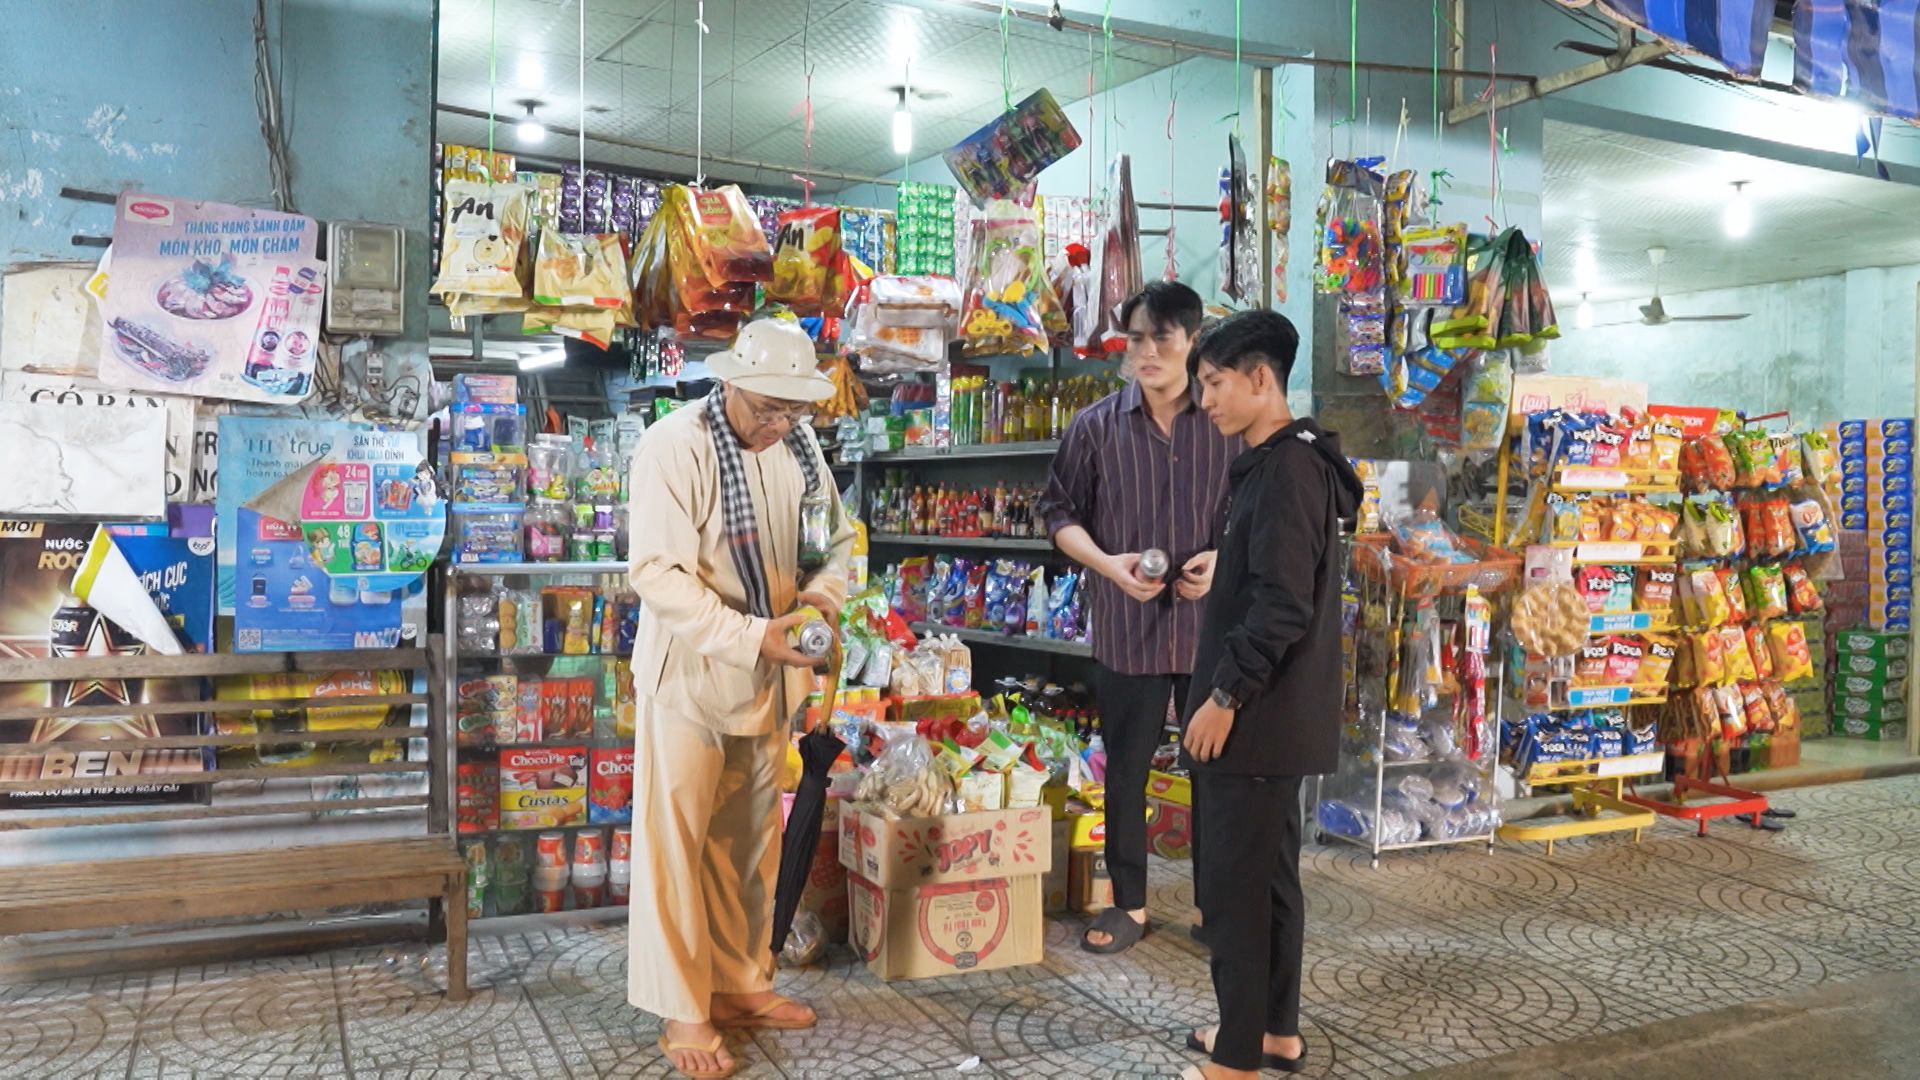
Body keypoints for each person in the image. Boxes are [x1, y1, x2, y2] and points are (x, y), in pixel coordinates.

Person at [625, 318, 855, 1080]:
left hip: (769, 673)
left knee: (749, 843)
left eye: (791, 412)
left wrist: (821, 602)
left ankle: (741, 982)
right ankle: (682, 1007)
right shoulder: (674, 445)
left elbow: (835, 542)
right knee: (676, 846)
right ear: (729, 384)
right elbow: (657, 575)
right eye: (764, 409)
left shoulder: (798, 445)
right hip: (691, 675)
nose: (776, 425)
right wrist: (755, 635)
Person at [1177, 309, 1363, 1080]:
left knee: (1234, 892)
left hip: (1255, 717)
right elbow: (1277, 576)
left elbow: (1284, 606)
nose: (1206, 401)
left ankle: (1237, 1058)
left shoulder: (1286, 468)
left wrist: (1224, 695)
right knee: (1270, 880)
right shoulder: (1284, 461)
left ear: (1261, 379)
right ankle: (1271, 1033)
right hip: (1276, 718)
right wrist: (1224, 573)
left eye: (1216, 384)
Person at [1037, 280, 1239, 954]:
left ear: (1191, 340)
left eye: (1163, 337)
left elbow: (1257, 513)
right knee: (1123, 770)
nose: (1148, 351)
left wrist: (1222, 556)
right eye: (1137, 338)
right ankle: (1129, 903)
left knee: (1217, 771)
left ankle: (1217, 907)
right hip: (1128, 628)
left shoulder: (1225, 423)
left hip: (1210, 628)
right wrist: (1107, 565)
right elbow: (1058, 513)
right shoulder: (1095, 426)